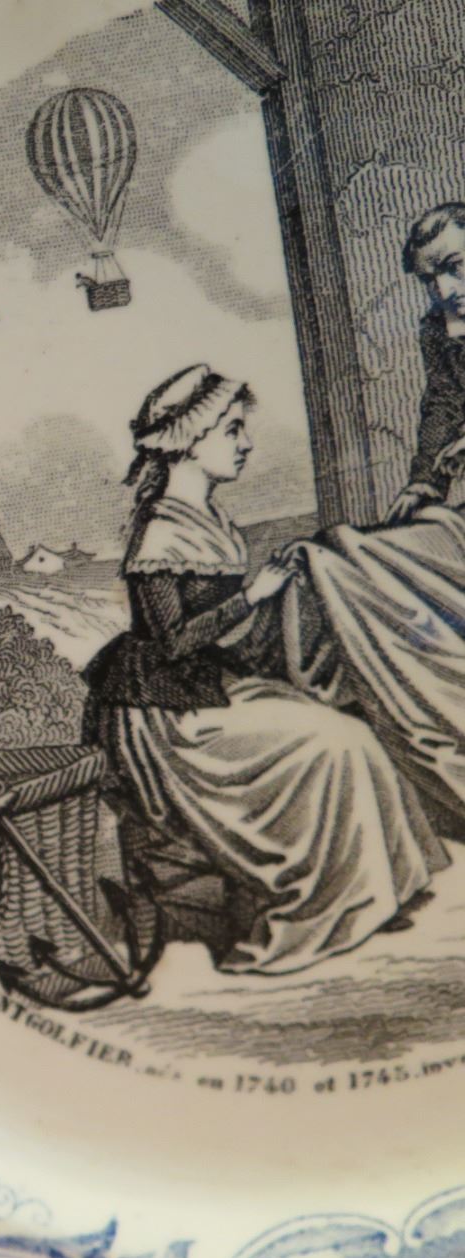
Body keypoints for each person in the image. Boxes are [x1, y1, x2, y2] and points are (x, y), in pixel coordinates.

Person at [85, 365, 442, 975]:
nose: (246, 442)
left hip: (209, 689)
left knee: (354, 733)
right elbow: (171, 642)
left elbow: (231, 636)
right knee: (330, 746)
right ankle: (326, 903)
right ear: (188, 442)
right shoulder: (162, 529)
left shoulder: (213, 520)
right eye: (231, 430)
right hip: (163, 713)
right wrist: (253, 595)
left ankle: (372, 892)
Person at [385, 202, 465, 524]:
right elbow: (444, 402)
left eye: (454, 266)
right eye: (429, 280)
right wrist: (425, 481)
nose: (443, 290)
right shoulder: (439, 328)